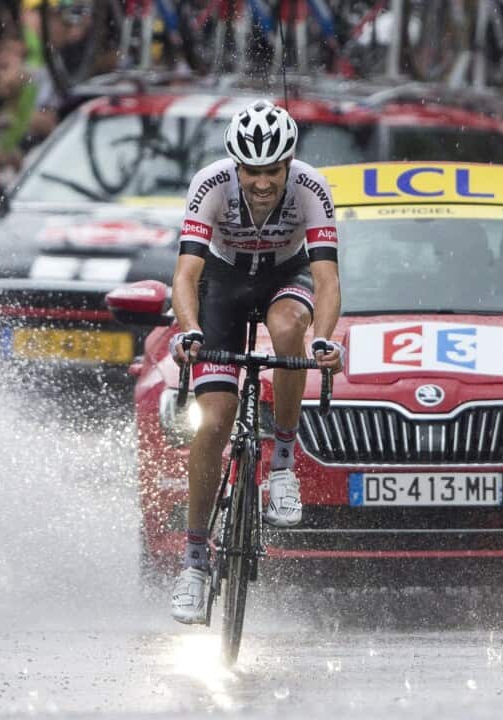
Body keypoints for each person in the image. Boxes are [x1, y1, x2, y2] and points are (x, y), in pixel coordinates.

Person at [166, 100, 344, 623]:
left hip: (286, 276)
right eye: (252, 171)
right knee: (215, 422)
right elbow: (185, 274)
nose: (263, 182)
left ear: (289, 164)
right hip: (223, 283)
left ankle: (283, 463)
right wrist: (191, 331)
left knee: (290, 328)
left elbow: (329, 280)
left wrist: (324, 341)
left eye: (273, 171)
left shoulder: (311, 187)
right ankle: (195, 563)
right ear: (235, 166)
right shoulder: (211, 184)